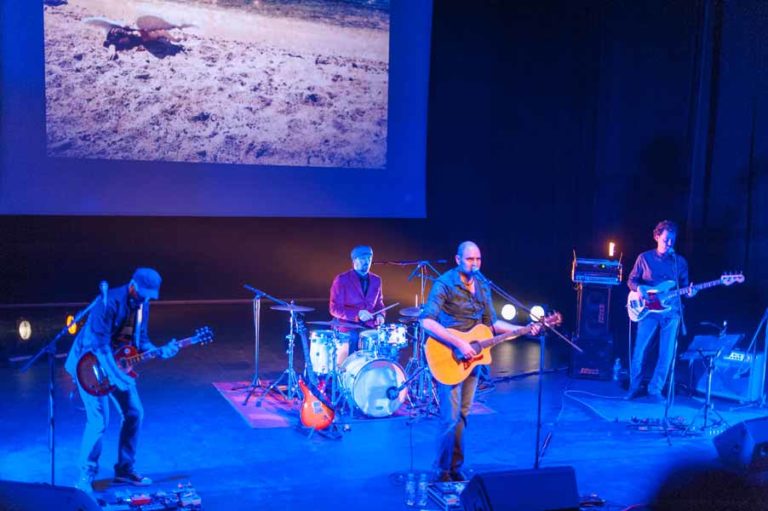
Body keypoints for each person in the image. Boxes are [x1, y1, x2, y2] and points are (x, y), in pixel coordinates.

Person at [420, 241, 540, 482]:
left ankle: (455, 467)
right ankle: (441, 470)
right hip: (449, 354)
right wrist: (459, 343)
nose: (475, 264)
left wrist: (523, 329)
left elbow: (491, 324)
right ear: (458, 260)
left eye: (478, 259)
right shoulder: (444, 284)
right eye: (469, 259)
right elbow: (427, 321)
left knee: (463, 415)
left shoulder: (483, 285)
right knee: (450, 418)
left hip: (472, 360)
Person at [65, 268, 179, 493]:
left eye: (150, 296)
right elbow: (98, 346)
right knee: (99, 422)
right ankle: (86, 476)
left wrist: (159, 351)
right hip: (89, 365)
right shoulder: (108, 302)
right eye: (144, 294)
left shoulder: (142, 305)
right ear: (133, 285)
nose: (146, 299)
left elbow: (141, 340)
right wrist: (116, 377)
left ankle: (124, 471)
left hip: (117, 363)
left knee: (135, 412)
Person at [626, 220, 696, 402]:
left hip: (671, 312)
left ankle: (655, 390)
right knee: (640, 350)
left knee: (666, 354)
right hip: (647, 311)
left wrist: (690, 292)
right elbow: (631, 280)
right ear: (657, 237)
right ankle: (634, 387)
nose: (669, 243)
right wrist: (640, 289)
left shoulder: (679, 262)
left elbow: (684, 289)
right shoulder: (644, 258)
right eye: (666, 239)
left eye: (672, 240)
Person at [329, 245, 386, 354]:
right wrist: (357, 314)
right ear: (354, 260)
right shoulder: (342, 279)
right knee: (354, 338)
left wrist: (380, 315)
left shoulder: (376, 280)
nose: (367, 261)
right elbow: (334, 308)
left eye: (369, 258)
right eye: (363, 258)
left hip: (368, 325)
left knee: (381, 341)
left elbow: (379, 303)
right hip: (346, 325)